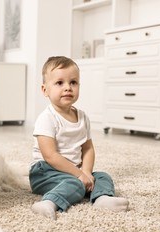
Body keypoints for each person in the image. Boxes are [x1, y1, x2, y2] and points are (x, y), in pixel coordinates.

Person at [29, 56, 129, 220]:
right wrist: (79, 175)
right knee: (76, 183)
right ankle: (49, 202)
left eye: (73, 82)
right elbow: (50, 156)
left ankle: (102, 198)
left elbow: (88, 148)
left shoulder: (82, 117)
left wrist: (87, 172)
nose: (68, 87)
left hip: (72, 170)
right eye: (59, 83)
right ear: (45, 89)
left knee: (102, 176)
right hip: (45, 172)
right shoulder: (47, 118)